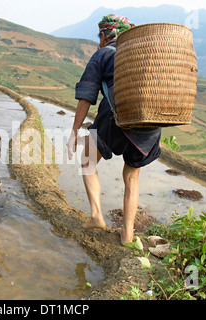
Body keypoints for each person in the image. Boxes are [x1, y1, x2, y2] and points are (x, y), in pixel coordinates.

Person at [66, 14, 162, 245]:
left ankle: (97, 216)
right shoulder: (145, 55)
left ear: (105, 35)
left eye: (99, 35)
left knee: (87, 160)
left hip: (116, 117)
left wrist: (74, 131)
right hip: (151, 121)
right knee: (131, 176)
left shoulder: (104, 53)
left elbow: (86, 96)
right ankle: (128, 234)